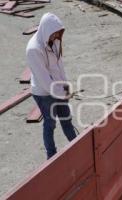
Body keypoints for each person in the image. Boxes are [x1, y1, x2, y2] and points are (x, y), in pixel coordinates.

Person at [26, 13, 77, 159]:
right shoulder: (33, 50)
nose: (56, 37)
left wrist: (66, 88)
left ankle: (75, 145)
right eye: (54, 34)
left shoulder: (54, 41)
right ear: (46, 30)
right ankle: (51, 155)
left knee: (66, 118)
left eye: (58, 34)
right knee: (50, 123)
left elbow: (59, 67)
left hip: (58, 88)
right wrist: (64, 94)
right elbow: (45, 81)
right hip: (43, 93)